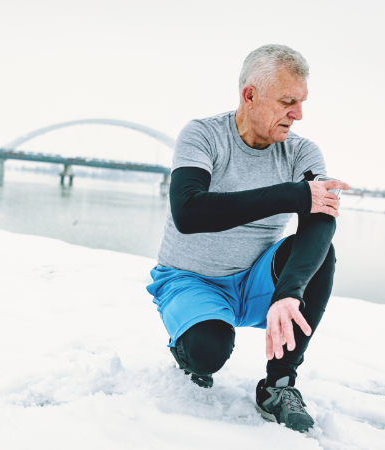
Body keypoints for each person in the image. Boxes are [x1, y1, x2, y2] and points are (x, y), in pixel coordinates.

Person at [146, 44, 350, 432]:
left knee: (321, 251)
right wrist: (292, 195)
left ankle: (279, 385)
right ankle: (187, 347)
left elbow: (321, 220)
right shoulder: (202, 134)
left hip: (256, 280)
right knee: (208, 353)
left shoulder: (302, 152)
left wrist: (290, 291)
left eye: (302, 102)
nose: (298, 114)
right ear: (250, 95)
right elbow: (188, 212)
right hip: (190, 279)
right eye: (288, 101)